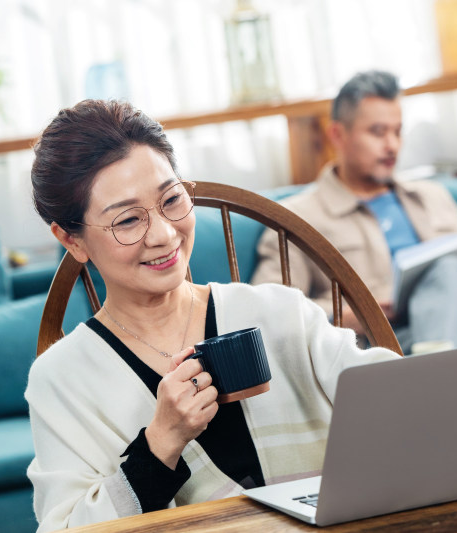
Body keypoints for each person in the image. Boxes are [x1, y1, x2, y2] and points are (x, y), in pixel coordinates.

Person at [25, 99, 399, 531]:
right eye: (128, 221)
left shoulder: (277, 312)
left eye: (171, 200)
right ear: (72, 241)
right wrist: (160, 442)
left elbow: (393, 400)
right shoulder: (64, 378)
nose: (164, 235)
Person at [251, 71, 457, 353]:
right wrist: (355, 315)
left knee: (450, 270)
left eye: (398, 132)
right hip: (390, 344)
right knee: (450, 322)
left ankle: (441, 379)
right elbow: (268, 315)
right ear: (337, 134)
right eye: (378, 132)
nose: (392, 145)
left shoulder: (431, 196)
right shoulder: (297, 220)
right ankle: (451, 375)